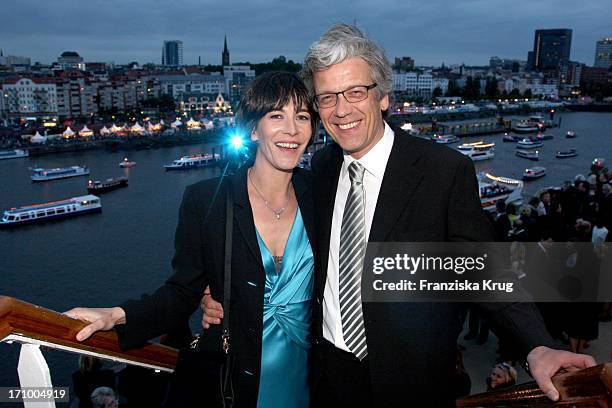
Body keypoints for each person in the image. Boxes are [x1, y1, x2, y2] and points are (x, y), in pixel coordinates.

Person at [204, 24, 596, 407]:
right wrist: (223, 291)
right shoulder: (319, 170)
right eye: (327, 98)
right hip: (327, 379)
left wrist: (537, 345)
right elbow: (279, 241)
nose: (342, 110)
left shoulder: (443, 170)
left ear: (384, 96)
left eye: (355, 91)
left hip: (412, 384)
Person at [66, 71, 318, 407]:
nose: (292, 129)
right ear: (253, 130)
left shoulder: (320, 194)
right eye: (276, 116)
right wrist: (117, 315)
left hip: (310, 375)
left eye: (302, 117)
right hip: (236, 376)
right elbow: (182, 291)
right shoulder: (207, 200)